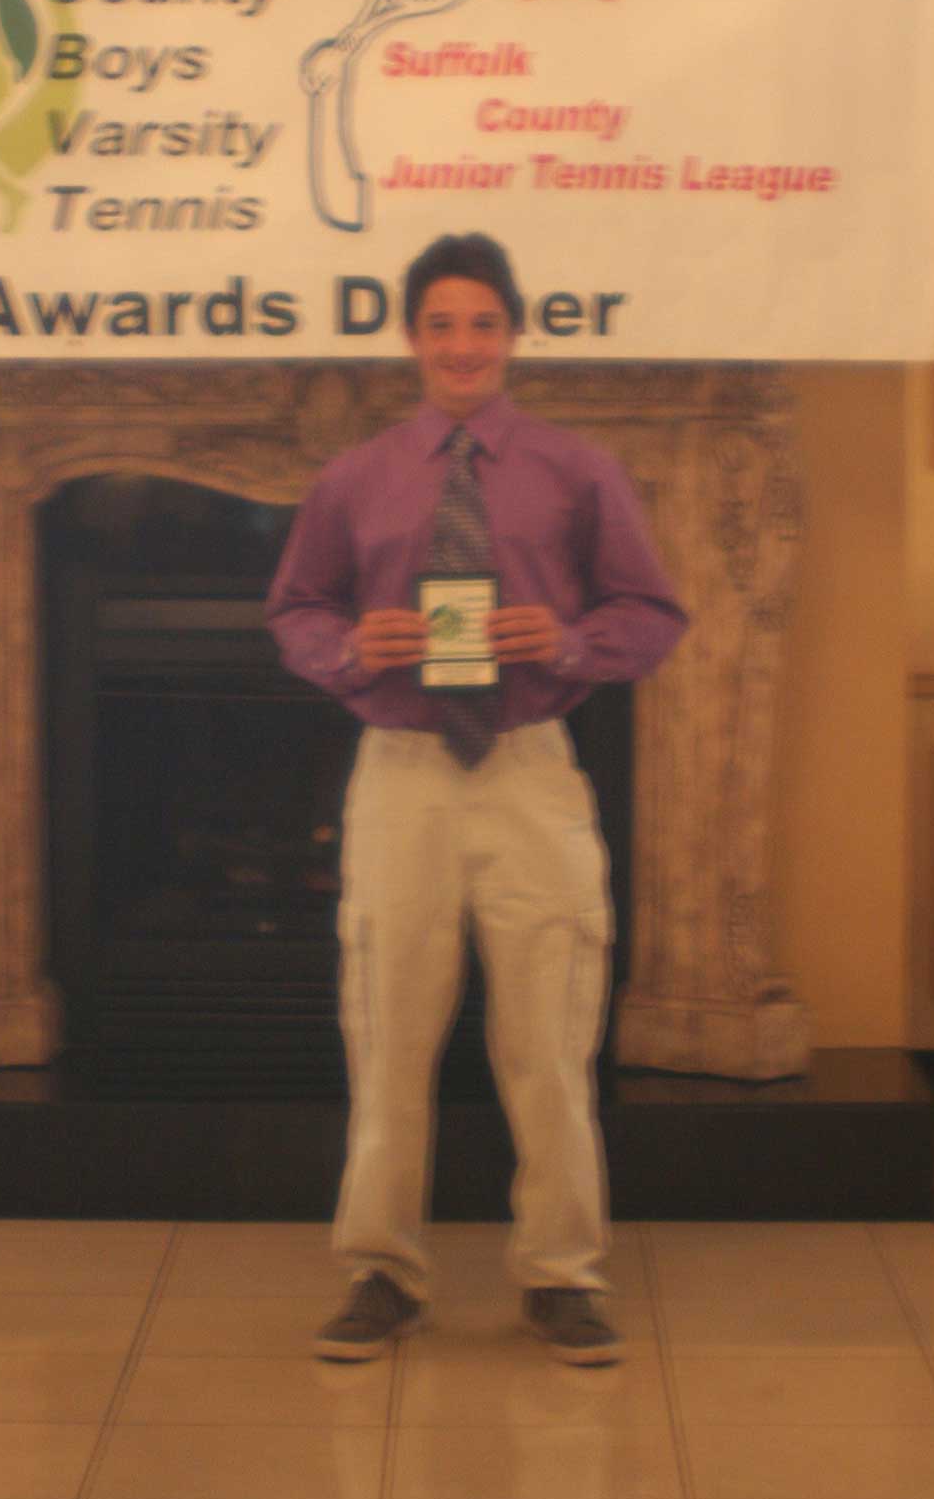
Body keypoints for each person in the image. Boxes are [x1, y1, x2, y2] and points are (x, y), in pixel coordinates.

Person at [266, 232, 687, 1366]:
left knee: (550, 1038)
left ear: (515, 336)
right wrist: (351, 646)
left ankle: (561, 1276)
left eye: (484, 324)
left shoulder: (577, 470)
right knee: (386, 1035)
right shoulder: (355, 478)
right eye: (442, 324)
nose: (463, 345)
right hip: (402, 772)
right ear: (411, 337)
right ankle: (381, 1273)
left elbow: (653, 613)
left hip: (528, 766)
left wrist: (571, 638)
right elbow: (296, 609)